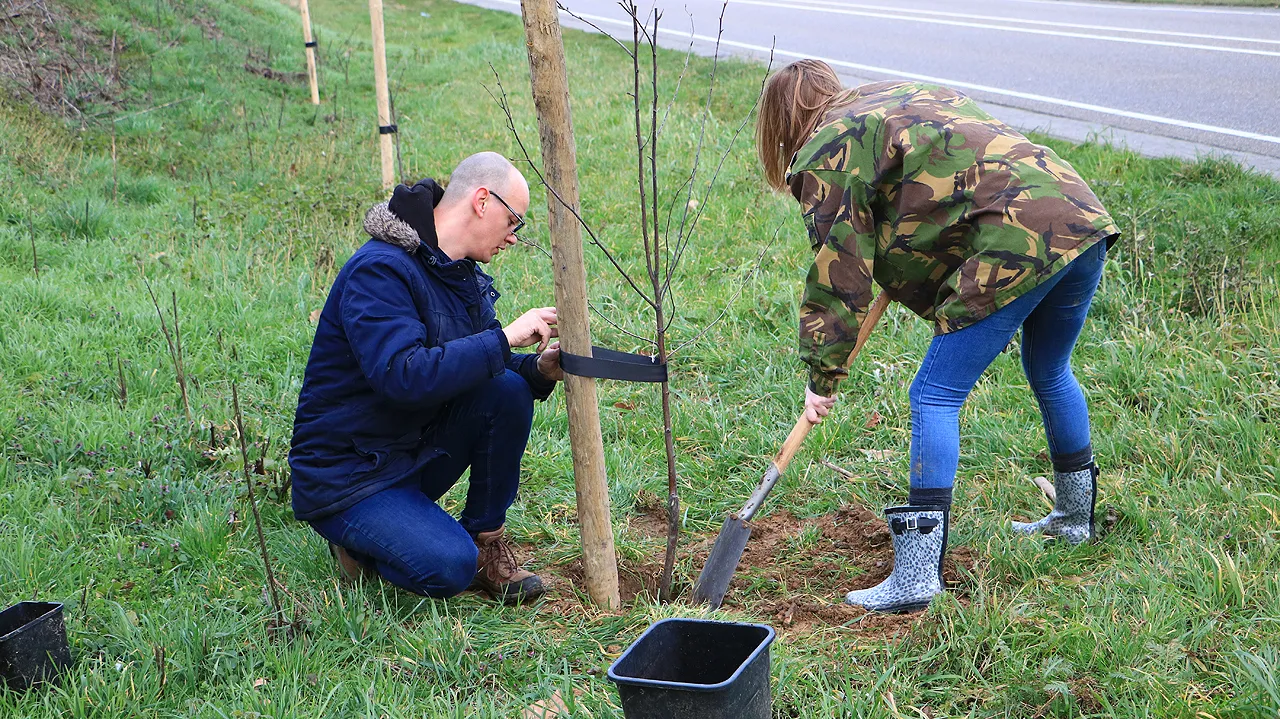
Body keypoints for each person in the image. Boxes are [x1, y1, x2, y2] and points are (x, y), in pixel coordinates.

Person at [756, 60, 1120, 614]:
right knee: (1049, 369)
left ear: (779, 125)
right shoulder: (891, 95)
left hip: (1014, 237)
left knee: (933, 394)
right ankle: (1073, 520)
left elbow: (840, 271)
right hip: (1077, 215)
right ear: (828, 89)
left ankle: (917, 577)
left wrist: (821, 375)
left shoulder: (826, 148)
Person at [288, 152, 563, 604]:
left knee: (509, 389)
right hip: (350, 473)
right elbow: (403, 376)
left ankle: (486, 542)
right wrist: (504, 338)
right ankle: (356, 541)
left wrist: (536, 369)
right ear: (481, 201)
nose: (514, 238)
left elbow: (477, 366)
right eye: (514, 221)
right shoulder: (378, 271)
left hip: (409, 451)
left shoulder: (459, 274)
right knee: (449, 568)